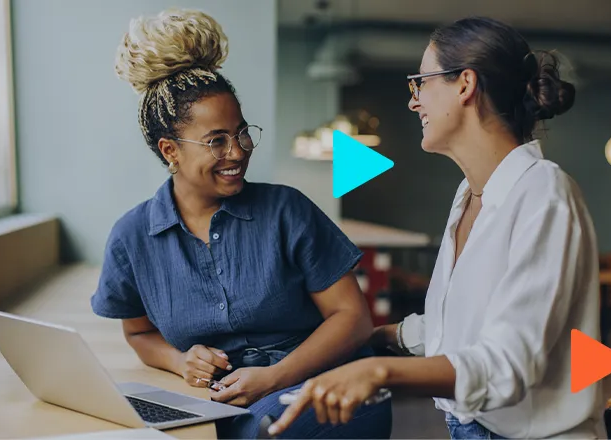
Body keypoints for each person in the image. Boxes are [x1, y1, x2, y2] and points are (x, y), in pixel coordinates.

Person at [270, 16, 603, 440]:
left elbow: (509, 363)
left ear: (465, 84)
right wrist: (375, 338)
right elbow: (464, 324)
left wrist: (379, 371)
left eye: (420, 83)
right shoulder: (469, 192)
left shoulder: (544, 192)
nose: (413, 102)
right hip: (469, 428)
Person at [90, 8, 391, 440]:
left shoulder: (287, 210)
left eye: (241, 132)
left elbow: (353, 318)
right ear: (170, 151)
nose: (238, 151)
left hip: (331, 384)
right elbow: (138, 332)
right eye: (217, 141)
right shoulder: (132, 237)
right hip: (225, 397)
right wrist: (180, 361)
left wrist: (274, 376)